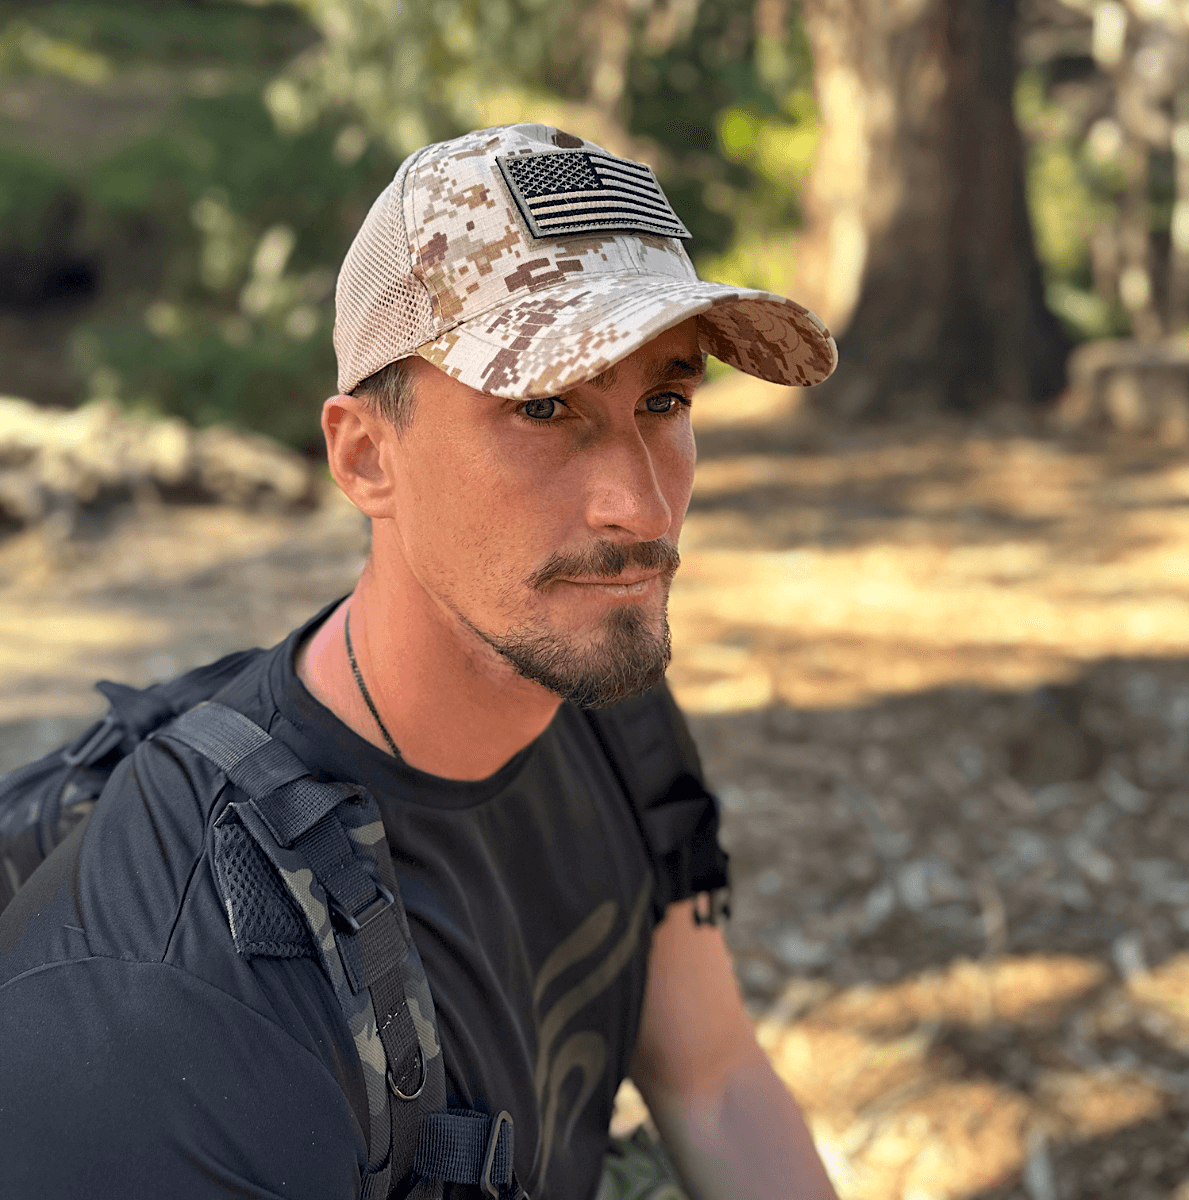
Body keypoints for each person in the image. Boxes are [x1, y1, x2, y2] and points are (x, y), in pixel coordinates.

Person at [0, 123, 838, 1199]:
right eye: (545, 408)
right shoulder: (182, 995)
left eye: (663, 402)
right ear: (364, 456)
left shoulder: (593, 679)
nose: (638, 506)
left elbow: (713, 1080)